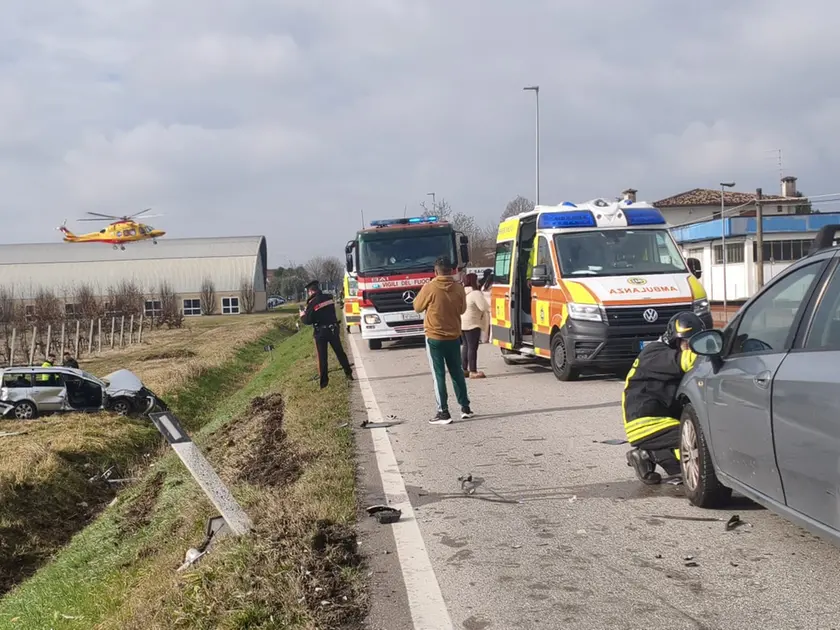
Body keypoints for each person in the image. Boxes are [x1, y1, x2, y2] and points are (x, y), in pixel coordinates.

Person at [622, 311, 704, 485]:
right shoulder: (654, 352)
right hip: (646, 421)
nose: (690, 347)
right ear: (674, 339)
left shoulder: (665, 351)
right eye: (687, 342)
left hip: (663, 418)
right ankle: (646, 455)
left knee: (687, 458)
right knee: (700, 447)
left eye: (695, 342)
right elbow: (685, 360)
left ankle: (653, 454)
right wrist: (715, 350)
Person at [413, 257, 473, 424]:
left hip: (434, 337)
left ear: (436, 271)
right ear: (451, 271)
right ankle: (465, 407)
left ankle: (443, 412)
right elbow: (462, 310)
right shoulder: (459, 288)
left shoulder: (429, 287)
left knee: (438, 374)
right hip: (453, 336)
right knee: (457, 373)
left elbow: (417, 307)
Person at [299, 280, 354, 389]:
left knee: (322, 357)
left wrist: (302, 315)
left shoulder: (313, 302)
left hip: (321, 333)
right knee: (340, 353)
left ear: (310, 291)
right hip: (333, 329)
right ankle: (348, 373)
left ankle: (324, 383)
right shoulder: (329, 298)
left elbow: (308, 320)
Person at [460, 272, 489, 378]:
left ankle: (464, 369)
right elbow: (484, 307)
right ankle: (473, 371)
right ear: (473, 281)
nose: (478, 282)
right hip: (473, 323)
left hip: (462, 323)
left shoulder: (462, 293)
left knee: (465, 346)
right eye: (476, 280)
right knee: (473, 347)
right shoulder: (475, 293)